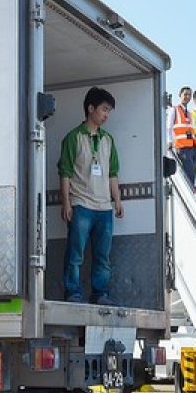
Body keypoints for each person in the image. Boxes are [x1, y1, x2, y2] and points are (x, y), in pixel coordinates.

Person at [59, 86, 123, 305]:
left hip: (104, 208)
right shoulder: (73, 137)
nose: (106, 115)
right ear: (90, 108)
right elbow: (65, 172)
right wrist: (66, 203)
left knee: (103, 257)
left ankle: (100, 293)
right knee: (75, 255)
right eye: (104, 110)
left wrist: (117, 200)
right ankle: (72, 292)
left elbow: (112, 173)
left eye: (109, 112)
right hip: (81, 204)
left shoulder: (108, 140)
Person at [168, 86, 196, 183]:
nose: (187, 97)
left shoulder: (189, 113)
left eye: (189, 95)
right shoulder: (175, 109)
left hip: (193, 147)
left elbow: (192, 130)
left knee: (192, 173)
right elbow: (168, 127)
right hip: (182, 147)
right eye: (185, 94)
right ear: (180, 95)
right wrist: (169, 141)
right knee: (189, 173)